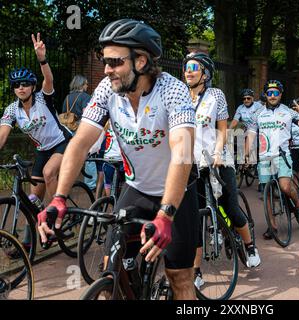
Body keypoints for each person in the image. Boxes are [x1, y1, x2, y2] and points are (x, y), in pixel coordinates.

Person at [37, 19, 199, 300]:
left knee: (180, 278)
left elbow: (182, 152)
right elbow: (80, 143)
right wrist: (59, 198)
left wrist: (165, 214)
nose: (107, 69)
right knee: (110, 268)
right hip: (136, 189)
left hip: (177, 195)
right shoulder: (106, 90)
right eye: (105, 61)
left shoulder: (172, 91)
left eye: (114, 62)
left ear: (141, 61)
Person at [182, 52, 261, 289]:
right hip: (190, 164)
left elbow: (223, 129)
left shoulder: (216, 95)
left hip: (218, 160)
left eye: (193, 67)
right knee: (195, 218)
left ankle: (249, 246)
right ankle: (196, 271)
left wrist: (218, 153)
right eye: (186, 67)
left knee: (230, 207)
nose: (188, 71)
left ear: (205, 73)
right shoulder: (179, 96)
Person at [0, 33, 72, 203]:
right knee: (34, 199)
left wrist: (42, 59)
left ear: (33, 86)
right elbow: (2, 136)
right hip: (42, 150)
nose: (21, 88)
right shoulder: (12, 110)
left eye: (25, 84)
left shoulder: (42, 98)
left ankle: (57, 213)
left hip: (62, 142)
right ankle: (35, 225)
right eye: (16, 85)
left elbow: (49, 79)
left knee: (49, 173)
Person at [247, 80, 299, 236]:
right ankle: (272, 226)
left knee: (285, 187)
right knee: (267, 193)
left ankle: (298, 204)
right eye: (269, 93)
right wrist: (247, 155)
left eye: (276, 93)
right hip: (264, 158)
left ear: (281, 94)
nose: (272, 96)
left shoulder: (288, 112)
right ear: (265, 95)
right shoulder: (257, 114)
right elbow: (250, 135)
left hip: (282, 156)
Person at [229, 88, 263, 165]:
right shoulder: (240, 108)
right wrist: (228, 130)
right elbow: (235, 120)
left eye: (248, 98)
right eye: (244, 99)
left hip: (258, 130)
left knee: (251, 136)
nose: (246, 100)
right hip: (247, 130)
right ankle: (241, 162)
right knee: (239, 135)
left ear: (252, 98)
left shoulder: (258, 106)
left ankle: (252, 162)